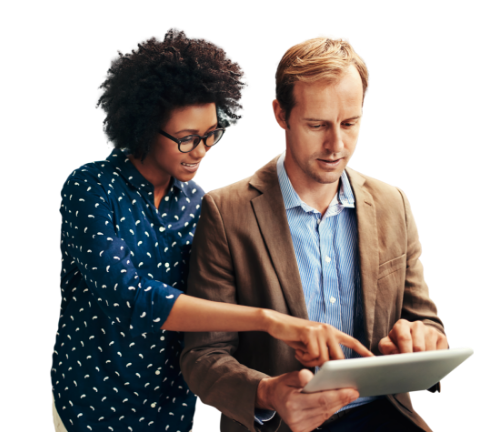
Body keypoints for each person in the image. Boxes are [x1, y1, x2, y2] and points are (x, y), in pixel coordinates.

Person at [51, 28, 374, 432]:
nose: (203, 152)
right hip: (92, 397)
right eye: (187, 139)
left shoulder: (198, 203)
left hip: (172, 406)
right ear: (145, 126)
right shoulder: (90, 188)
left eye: (210, 135)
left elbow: (212, 300)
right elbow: (129, 295)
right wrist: (269, 319)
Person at [179, 33, 449, 432]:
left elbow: (426, 322)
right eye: (317, 124)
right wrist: (270, 393)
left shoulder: (392, 205)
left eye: (350, 123)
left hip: (382, 415)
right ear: (281, 117)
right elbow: (202, 357)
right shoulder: (225, 213)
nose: (336, 145)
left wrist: (423, 340)